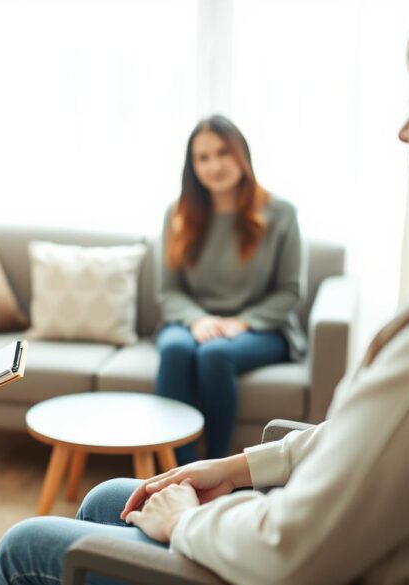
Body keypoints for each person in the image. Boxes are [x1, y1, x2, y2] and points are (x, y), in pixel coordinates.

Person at [0, 0, 409, 582]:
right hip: (369, 546)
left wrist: (191, 520)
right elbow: (381, 441)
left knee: (23, 547)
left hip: (325, 566)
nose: (402, 130)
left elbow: (292, 550)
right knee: (108, 495)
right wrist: (238, 467)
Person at [155, 115, 304, 464]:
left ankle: (216, 469)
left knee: (214, 354)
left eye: (222, 153)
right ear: (192, 166)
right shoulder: (177, 214)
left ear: (241, 154)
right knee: (176, 350)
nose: (214, 166)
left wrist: (244, 322)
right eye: (202, 158)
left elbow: (290, 291)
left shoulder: (281, 214)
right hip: (193, 322)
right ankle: (179, 470)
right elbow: (168, 291)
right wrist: (197, 319)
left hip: (260, 328)